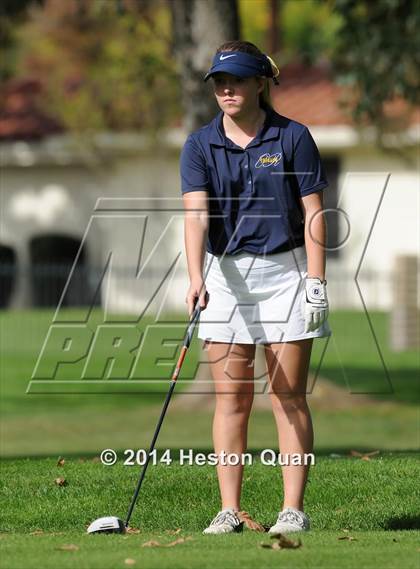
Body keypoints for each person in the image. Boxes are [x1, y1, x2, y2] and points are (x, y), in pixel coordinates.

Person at [180, 40, 331, 535]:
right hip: (225, 277)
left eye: (238, 80)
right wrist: (197, 276)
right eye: (220, 82)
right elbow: (196, 215)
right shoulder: (200, 145)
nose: (227, 89)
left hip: (286, 272)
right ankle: (230, 510)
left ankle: (293, 510)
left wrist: (315, 280)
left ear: (260, 83)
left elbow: (312, 212)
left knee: (288, 395)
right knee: (232, 399)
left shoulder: (292, 137)